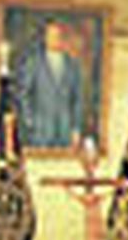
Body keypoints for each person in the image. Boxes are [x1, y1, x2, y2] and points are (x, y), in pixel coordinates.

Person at [16, 19, 86, 149]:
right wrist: (30, 122)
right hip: (40, 132)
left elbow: (78, 100)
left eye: (59, 35)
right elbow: (23, 95)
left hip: (65, 132)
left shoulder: (73, 65)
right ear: (45, 38)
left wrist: (76, 129)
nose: (56, 39)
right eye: (52, 35)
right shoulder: (33, 62)